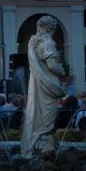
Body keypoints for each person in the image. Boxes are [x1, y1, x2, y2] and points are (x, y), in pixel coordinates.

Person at [20, 15, 67, 156]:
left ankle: (37, 142)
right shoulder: (48, 43)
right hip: (48, 82)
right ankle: (41, 142)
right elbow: (52, 66)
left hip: (38, 82)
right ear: (51, 28)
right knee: (48, 114)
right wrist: (62, 70)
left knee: (39, 111)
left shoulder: (35, 43)